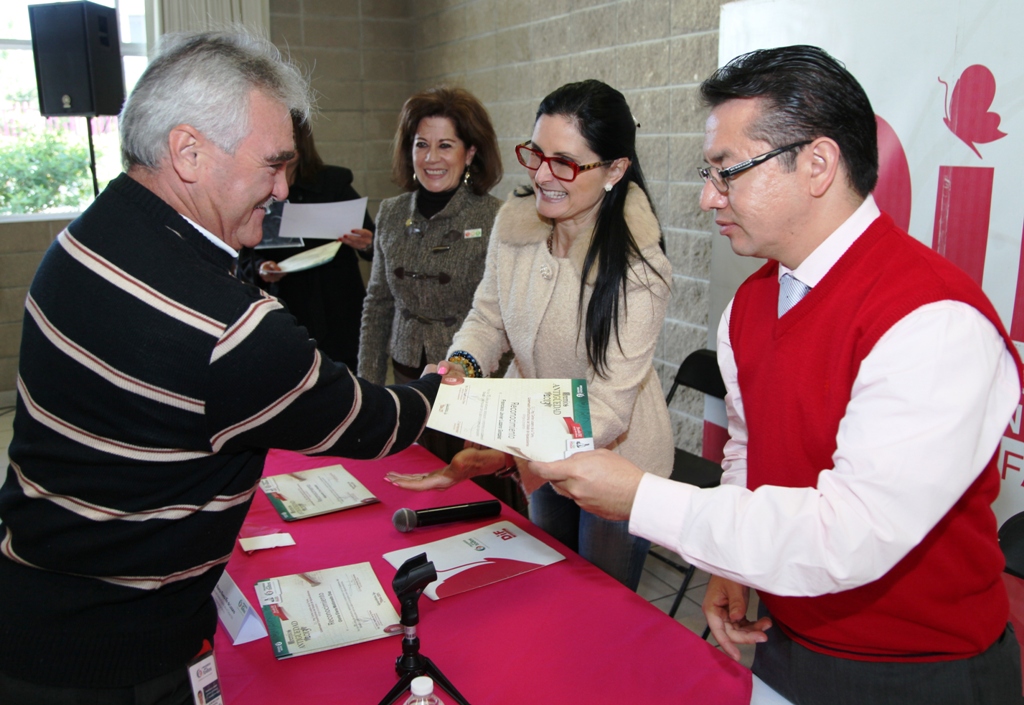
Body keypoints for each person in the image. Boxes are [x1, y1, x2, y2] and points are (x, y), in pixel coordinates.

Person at [529, 46, 1023, 704]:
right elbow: (749, 447)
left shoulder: (933, 320)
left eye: (726, 172)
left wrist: (643, 499)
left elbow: (851, 536)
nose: (708, 197)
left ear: (817, 164)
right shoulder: (753, 303)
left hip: (918, 670)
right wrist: (730, 564)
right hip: (782, 637)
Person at [0, 30, 443, 703]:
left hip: (34, 598)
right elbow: (372, 424)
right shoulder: (230, 328)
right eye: (272, 164)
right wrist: (441, 386)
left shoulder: (87, 235)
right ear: (188, 152)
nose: (284, 187)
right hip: (116, 659)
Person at [389, 80, 674, 592]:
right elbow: (487, 318)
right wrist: (462, 369)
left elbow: (607, 409)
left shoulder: (638, 267)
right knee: (548, 583)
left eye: (564, 162)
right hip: (539, 448)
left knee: (599, 603)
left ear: (614, 170)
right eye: (536, 154)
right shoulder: (515, 226)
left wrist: (504, 445)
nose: (543, 175)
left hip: (616, 458)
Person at [358, 86, 503, 465]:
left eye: (446, 145)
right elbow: (377, 305)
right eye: (422, 145)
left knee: (469, 485)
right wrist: (368, 392)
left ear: (469, 152)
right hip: (408, 374)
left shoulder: (494, 217)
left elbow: (502, 316)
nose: (431, 158)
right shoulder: (390, 212)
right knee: (414, 477)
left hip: (472, 381)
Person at [241, 113, 375, 370]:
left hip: (337, 306)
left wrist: (367, 243)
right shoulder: (253, 186)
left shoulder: (332, 183)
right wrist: (260, 268)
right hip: (285, 306)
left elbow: (373, 241)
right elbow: (245, 255)